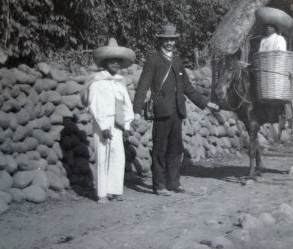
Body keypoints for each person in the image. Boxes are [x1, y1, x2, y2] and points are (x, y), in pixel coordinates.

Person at [132, 24, 219, 196]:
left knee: (176, 149)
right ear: (161, 41)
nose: (170, 43)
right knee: (159, 149)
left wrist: (205, 103)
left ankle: (173, 182)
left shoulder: (177, 61)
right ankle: (160, 185)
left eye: (172, 39)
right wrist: (136, 111)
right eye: (166, 40)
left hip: (177, 112)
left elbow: (188, 88)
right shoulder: (153, 59)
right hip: (162, 111)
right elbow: (142, 86)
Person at [85, 38, 136, 204]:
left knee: (117, 156)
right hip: (103, 124)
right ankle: (102, 193)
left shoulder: (120, 84)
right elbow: (94, 106)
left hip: (118, 124)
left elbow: (126, 106)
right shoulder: (97, 83)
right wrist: (103, 127)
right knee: (103, 156)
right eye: (111, 61)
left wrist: (127, 125)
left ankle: (115, 189)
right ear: (104, 63)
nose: (115, 64)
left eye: (118, 61)